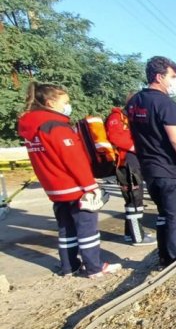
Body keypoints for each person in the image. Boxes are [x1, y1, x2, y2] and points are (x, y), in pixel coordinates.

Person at [18, 82, 122, 278]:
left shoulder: (32, 128)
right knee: (88, 229)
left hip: (54, 189)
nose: (68, 105)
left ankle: (69, 266)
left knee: (66, 230)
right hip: (74, 187)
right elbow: (74, 160)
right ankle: (94, 267)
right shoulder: (55, 127)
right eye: (65, 102)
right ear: (50, 102)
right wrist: (91, 186)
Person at [126, 56, 176, 267]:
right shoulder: (165, 103)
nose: (175, 81)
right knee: (175, 218)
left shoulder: (135, 101)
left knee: (164, 215)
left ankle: (164, 255)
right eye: (173, 76)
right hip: (170, 170)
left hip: (150, 169)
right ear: (159, 76)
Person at [105, 96, 155, 246]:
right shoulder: (116, 117)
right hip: (126, 164)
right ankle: (138, 237)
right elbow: (116, 137)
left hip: (132, 162)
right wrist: (138, 148)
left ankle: (130, 233)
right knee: (134, 200)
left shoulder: (129, 117)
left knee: (134, 199)